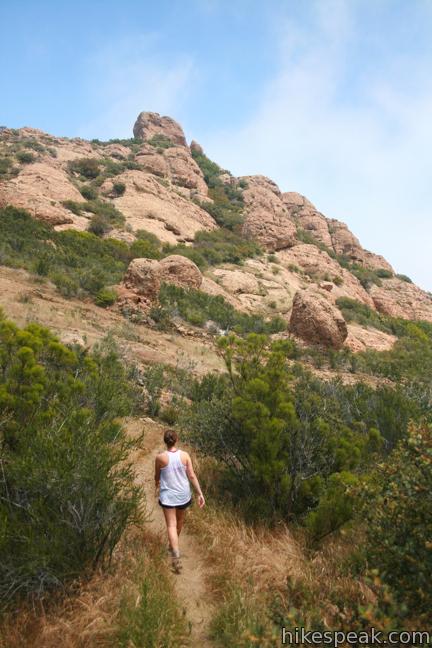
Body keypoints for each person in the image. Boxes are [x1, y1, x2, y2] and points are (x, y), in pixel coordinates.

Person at [155, 428, 205, 572]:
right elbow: (192, 476)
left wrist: (156, 486)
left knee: (171, 524)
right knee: (179, 522)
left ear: (165, 442)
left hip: (168, 496)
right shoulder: (185, 455)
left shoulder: (160, 458)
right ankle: (174, 544)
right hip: (183, 495)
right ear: (176, 440)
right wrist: (199, 493)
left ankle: (175, 555)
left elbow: (157, 477)